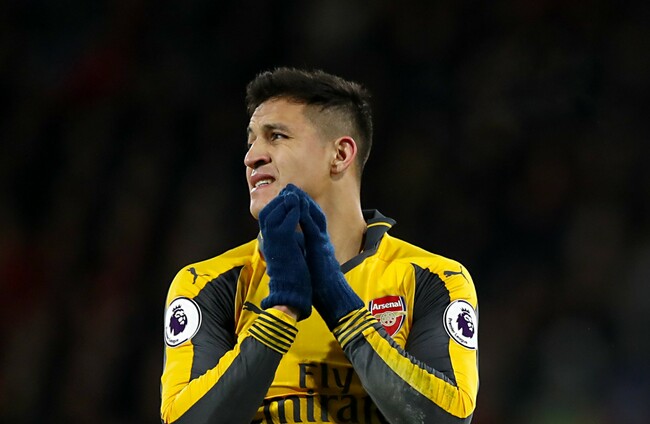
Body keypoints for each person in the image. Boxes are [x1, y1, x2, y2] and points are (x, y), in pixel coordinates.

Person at [160, 68, 479, 423]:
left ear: (340, 154)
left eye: (276, 136)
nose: (252, 157)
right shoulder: (208, 283)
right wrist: (282, 312)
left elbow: (447, 419)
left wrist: (341, 305)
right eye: (251, 142)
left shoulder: (433, 279)